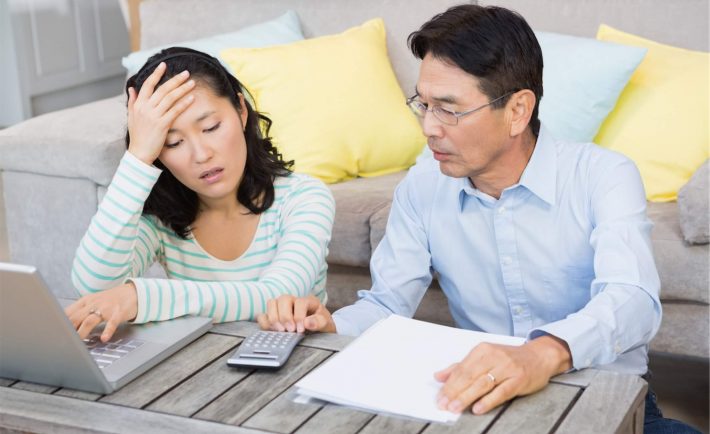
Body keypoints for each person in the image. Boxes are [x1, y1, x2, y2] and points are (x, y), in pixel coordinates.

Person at [257, 5, 700, 433]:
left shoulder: (603, 175)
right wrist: (330, 324)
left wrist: (541, 355)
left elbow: (633, 300)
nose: (430, 127)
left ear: (517, 111)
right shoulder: (423, 185)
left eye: (449, 109)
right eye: (423, 104)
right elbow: (387, 305)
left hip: (600, 392)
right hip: (481, 402)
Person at [66, 47, 334, 344]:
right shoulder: (162, 221)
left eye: (211, 127)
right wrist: (138, 156)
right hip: (198, 368)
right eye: (173, 142)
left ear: (241, 112)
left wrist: (141, 298)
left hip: (298, 365)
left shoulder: (305, 198)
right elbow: (95, 287)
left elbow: (278, 296)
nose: (202, 154)